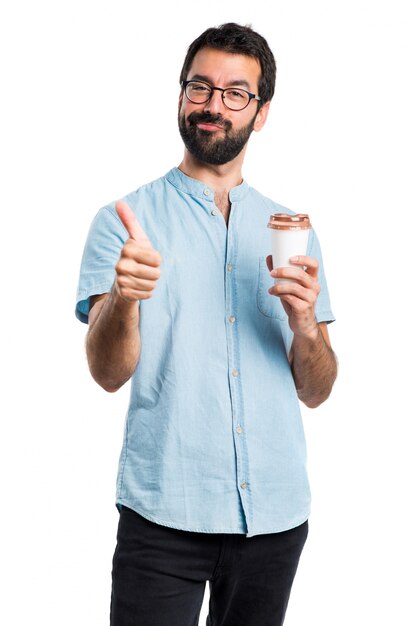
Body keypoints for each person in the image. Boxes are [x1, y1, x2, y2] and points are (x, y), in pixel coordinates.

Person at [76, 22, 337, 626]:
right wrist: (124, 296)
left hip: (274, 517)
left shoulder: (292, 231)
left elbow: (318, 390)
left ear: (261, 112)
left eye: (235, 92)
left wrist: (305, 326)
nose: (213, 104)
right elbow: (106, 373)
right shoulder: (124, 222)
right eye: (201, 86)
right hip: (164, 514)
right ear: (180, 95)